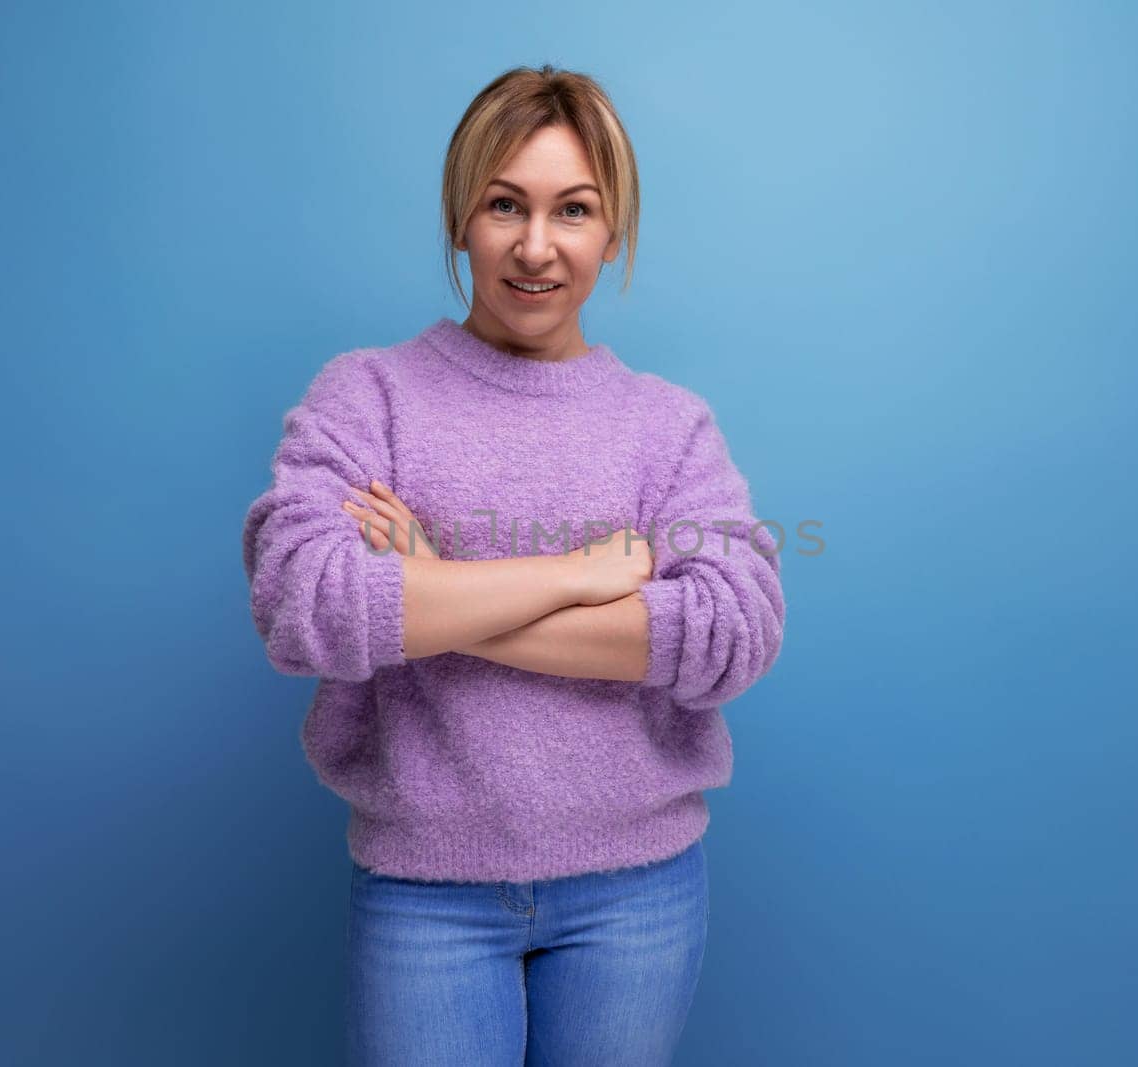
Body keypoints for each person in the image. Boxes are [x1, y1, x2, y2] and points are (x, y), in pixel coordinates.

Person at [241, 64, 787, 1066]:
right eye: (504, 205)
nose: (536, 246)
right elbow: (303, 600)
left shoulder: (667, 428)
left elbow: (734, 630)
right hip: (426, 895)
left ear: (611, 230)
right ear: (462, 218)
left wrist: (429, 588)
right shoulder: (368, 397)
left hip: (637, 890)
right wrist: (582, 571)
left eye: (572, 210)